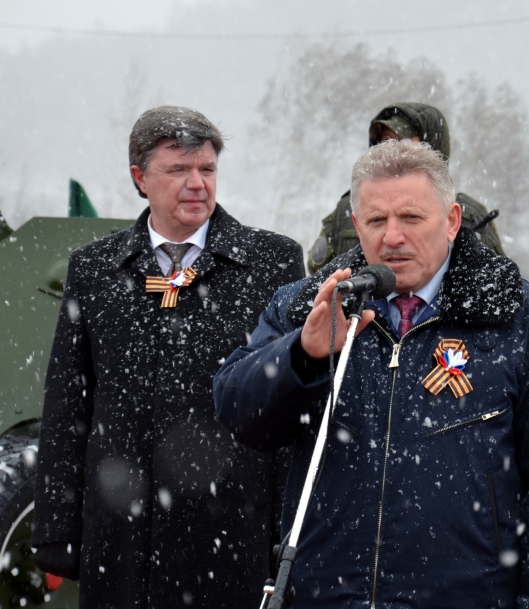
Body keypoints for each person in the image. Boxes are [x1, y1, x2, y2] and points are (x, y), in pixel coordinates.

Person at [214, 139, 529, 607]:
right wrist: (304, 353)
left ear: (452, 221)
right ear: (357, 226)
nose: (392, 237)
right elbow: (239, 413)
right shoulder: (309, 307)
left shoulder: (525, 320)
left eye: (411, 218)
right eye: (376, 220)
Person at [32, 105, 306, 608]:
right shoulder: (93, 270)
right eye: (178, 170)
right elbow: (68, 403)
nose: (196, 183)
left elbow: (289, 405)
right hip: (121, 531)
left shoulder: (273, 262)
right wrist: (57, 525)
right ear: (140, 177)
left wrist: (288, 533)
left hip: (231, 526)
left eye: (206, 169)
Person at [307, 102, 504, 273]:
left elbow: (495, 283)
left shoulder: (470, 215)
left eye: (412, 217)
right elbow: (319, 272)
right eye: (387, 141)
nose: (392, 237)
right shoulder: (349, 208)